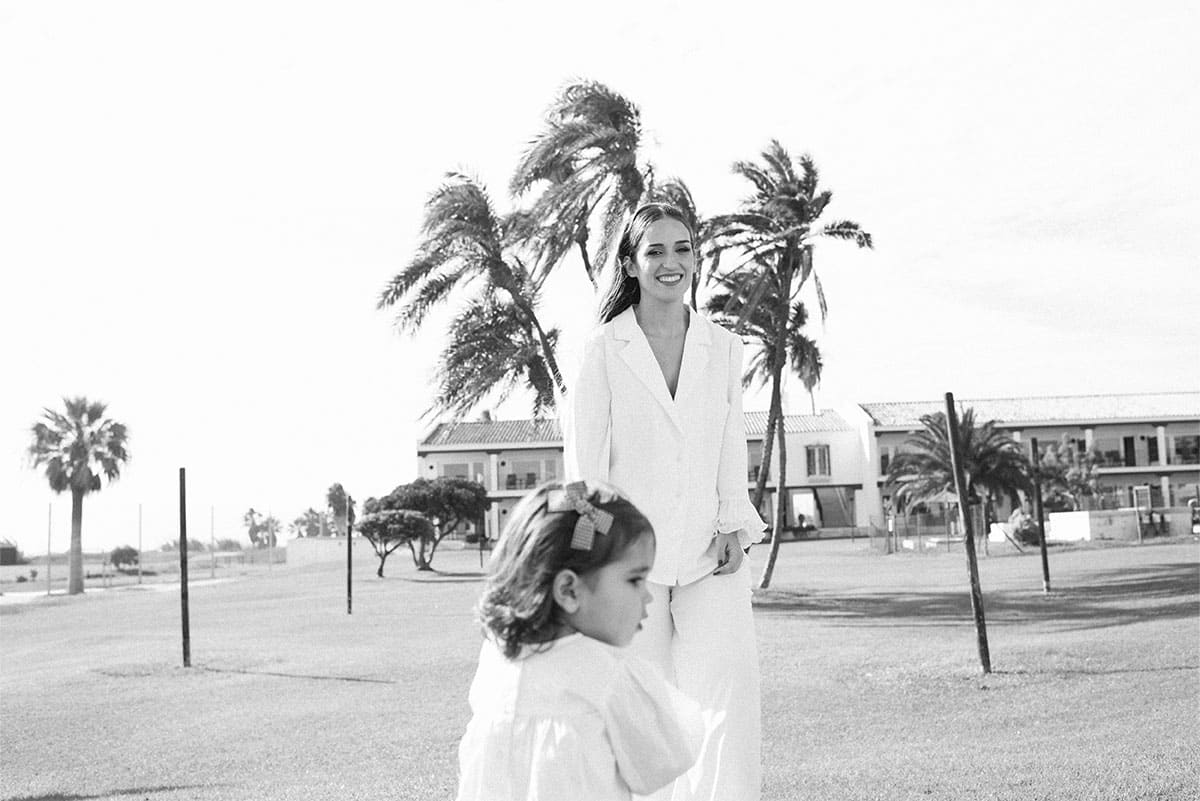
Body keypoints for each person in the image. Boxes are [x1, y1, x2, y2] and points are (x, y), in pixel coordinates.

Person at [561, 202, 768, 800]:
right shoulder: (602, 350)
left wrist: (734, 521)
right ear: (631, 263)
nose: (670, 262)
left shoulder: (724, 348)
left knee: (729, 707)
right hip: (632, 568)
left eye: (682, 249)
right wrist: (587, 559)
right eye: (654, 251)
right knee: (641, 725)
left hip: (712, 557)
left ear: (698, 260)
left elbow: (731, 439)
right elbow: (586, 468)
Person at [455, 479, 704, 801]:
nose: (647, 596)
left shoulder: (496, 659)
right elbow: (663, 761)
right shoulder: (606, 673)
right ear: (569, 590)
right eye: (635, 580)